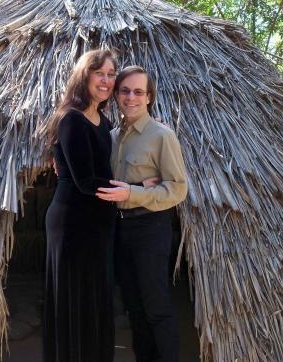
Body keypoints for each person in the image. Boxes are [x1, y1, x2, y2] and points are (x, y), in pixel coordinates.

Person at [96, 65, 188, 362]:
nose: (131, 97)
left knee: (156, 307)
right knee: (133, 307)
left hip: (150, 227)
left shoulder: (162, 136)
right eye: (125, 91)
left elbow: (177, 189)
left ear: (149, 97)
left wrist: (133, 192)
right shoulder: (110, 137)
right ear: (116, 95)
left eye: (138, 91)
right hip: (118, 230)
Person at [42, 49, 118, 362]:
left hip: (97, 222)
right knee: (75, 300)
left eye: (111, 74)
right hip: (73, 222)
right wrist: (136, 191)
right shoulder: (71, 120)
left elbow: (105, 170)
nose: (106, 80)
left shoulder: (103, 120)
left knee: (94, 299)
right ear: (83, 76)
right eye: (99, 73)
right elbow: (86, 181)